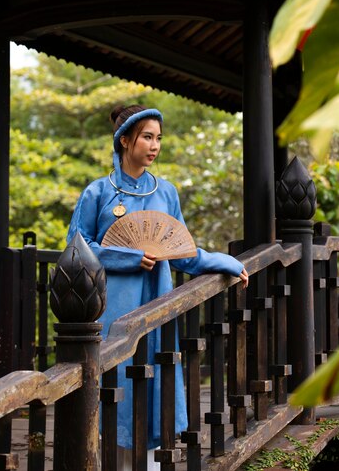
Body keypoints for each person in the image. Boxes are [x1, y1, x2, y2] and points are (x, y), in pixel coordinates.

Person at [67, 104, 248, 470]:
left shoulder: (166, 192)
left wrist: (226, 262)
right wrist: (126, 256)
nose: (155, 145)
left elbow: (182, 252)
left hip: (157, 304)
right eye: (147, 137)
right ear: (124, 141)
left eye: (158, 138)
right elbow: (75, 249)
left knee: (155, 378)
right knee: (116, 382)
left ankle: (149, 464)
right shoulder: (99, 192)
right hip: (114, 306)